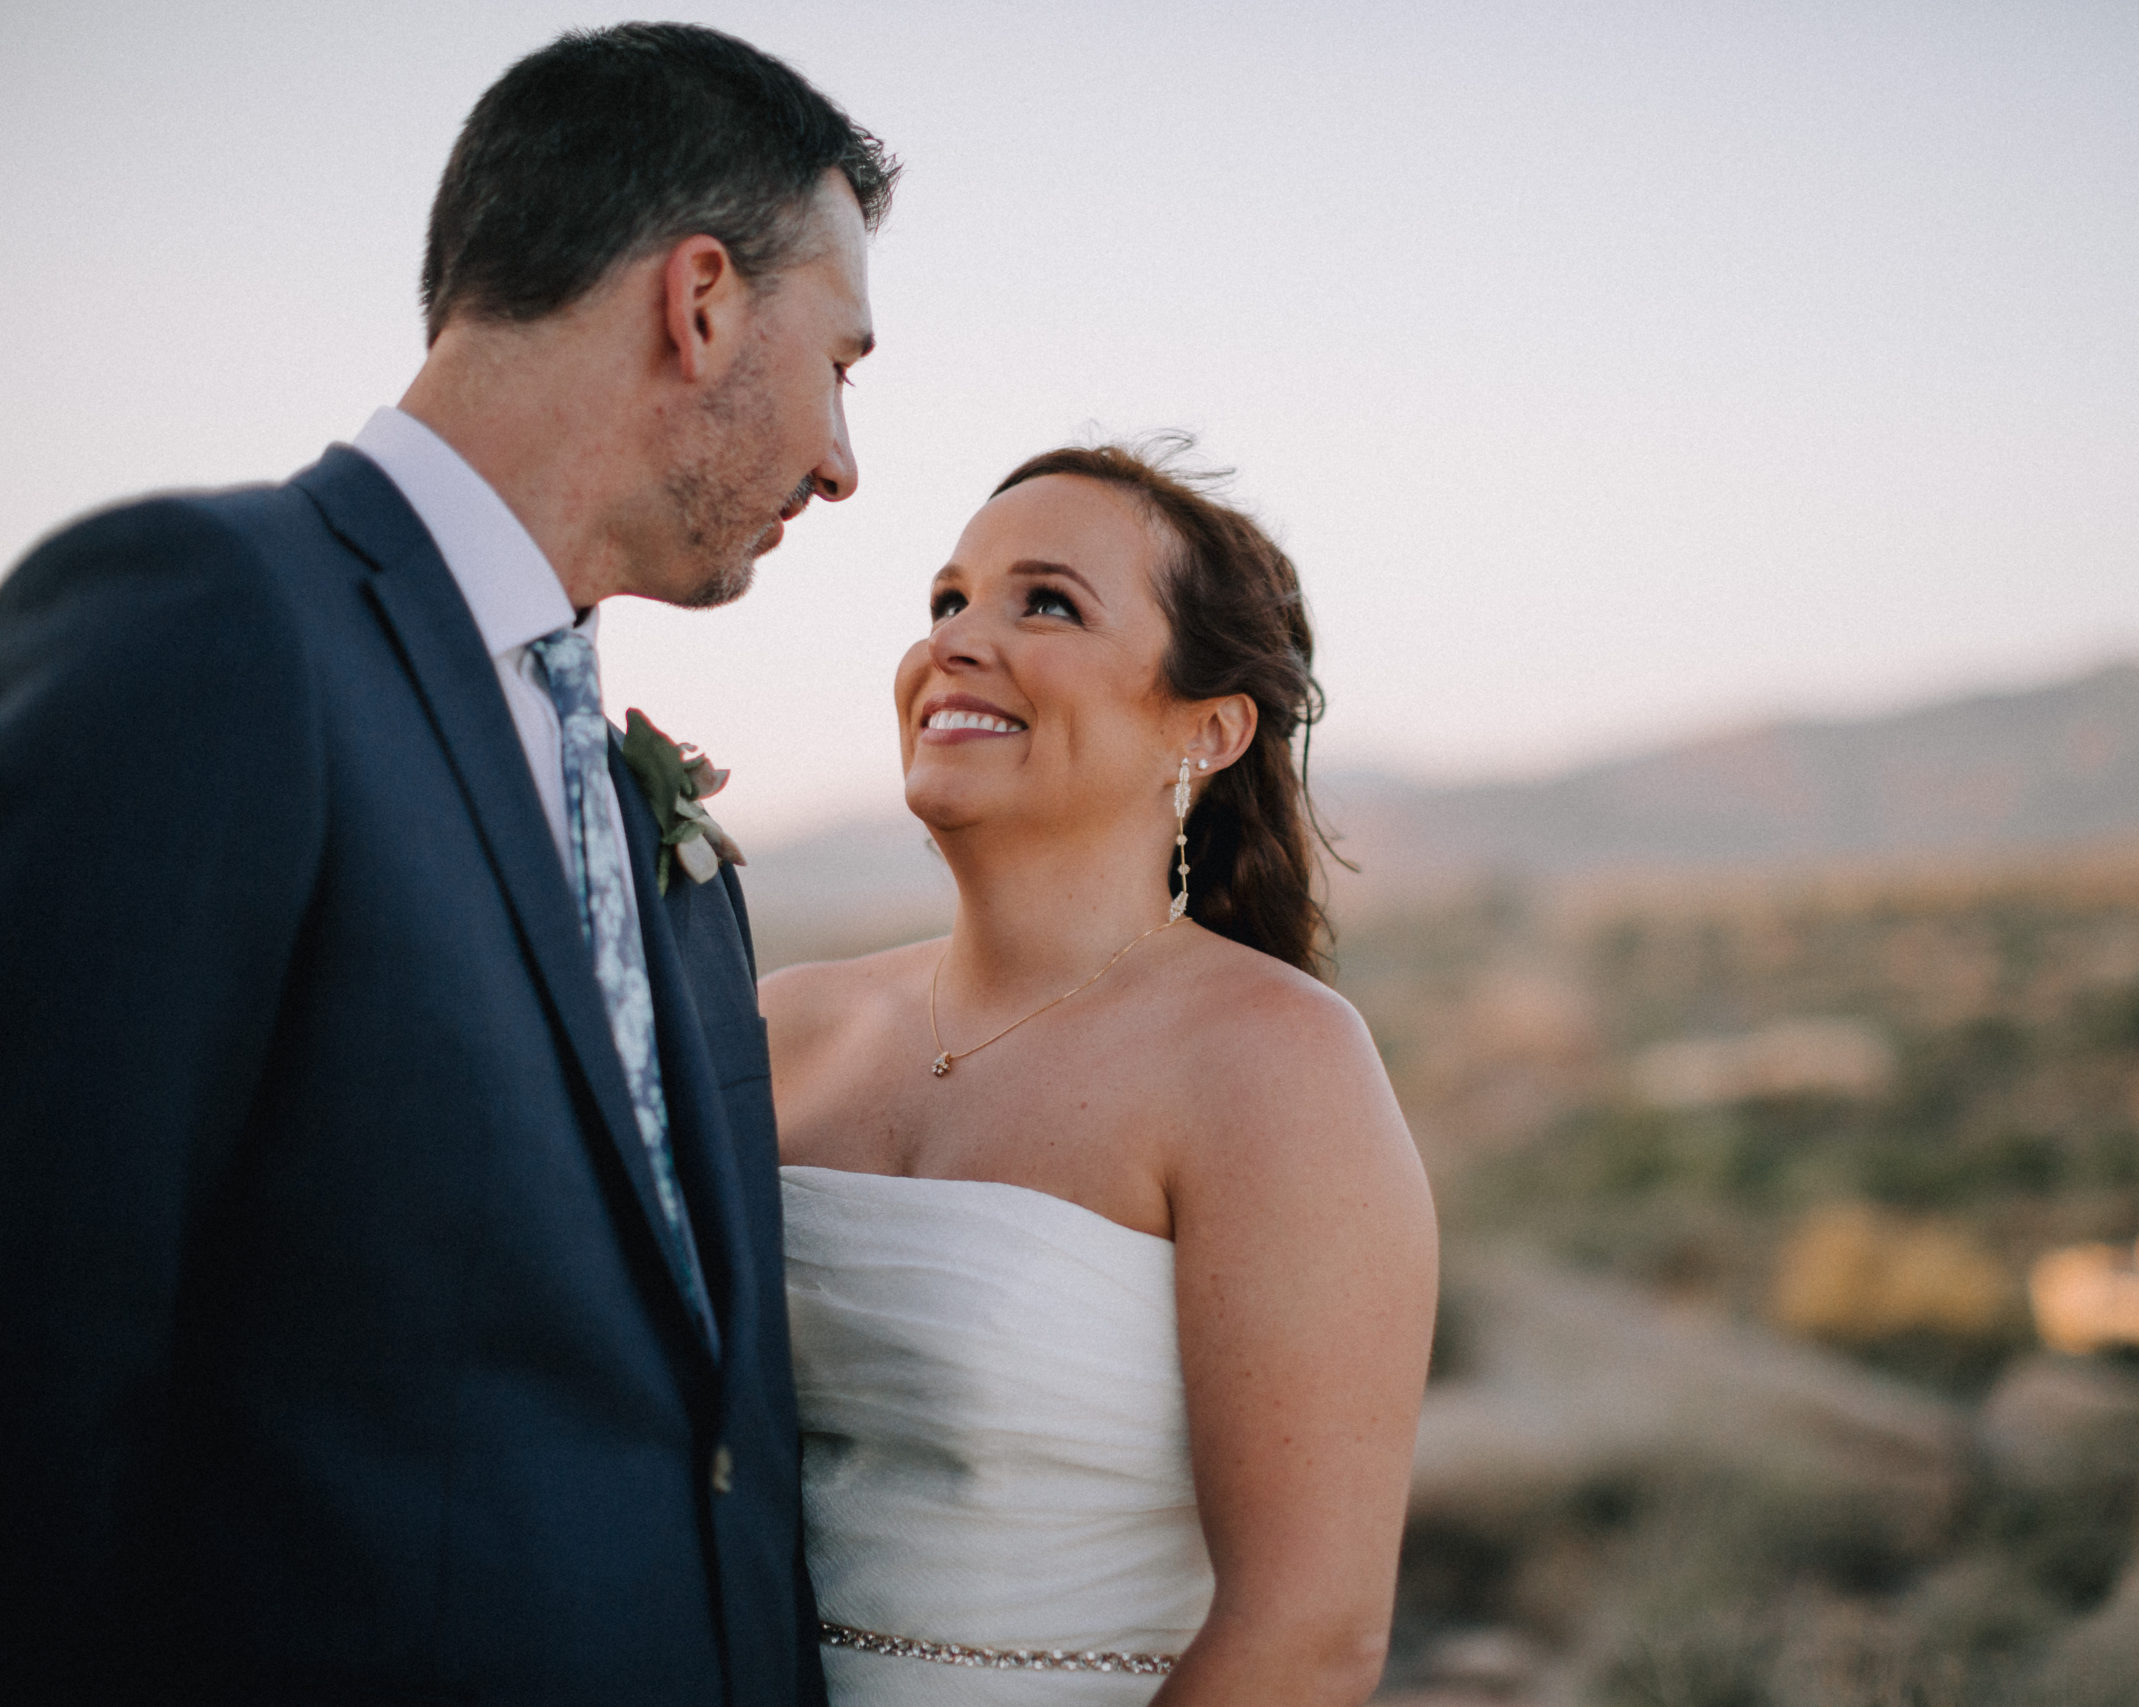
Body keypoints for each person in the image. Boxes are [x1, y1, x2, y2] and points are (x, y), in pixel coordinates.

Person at [0, 24, 892, 1704]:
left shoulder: (646, 821)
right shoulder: (214, 621)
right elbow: (37, 1363)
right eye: (842, 362)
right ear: (698, 303)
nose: (845, 459)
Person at [762, 442, 1439, 1705]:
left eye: (1047, 603)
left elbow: (1309, 1635)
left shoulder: (1270, 1061)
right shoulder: (780, 1027)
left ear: (1208, 728)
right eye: (946, 601)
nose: (955, 641)